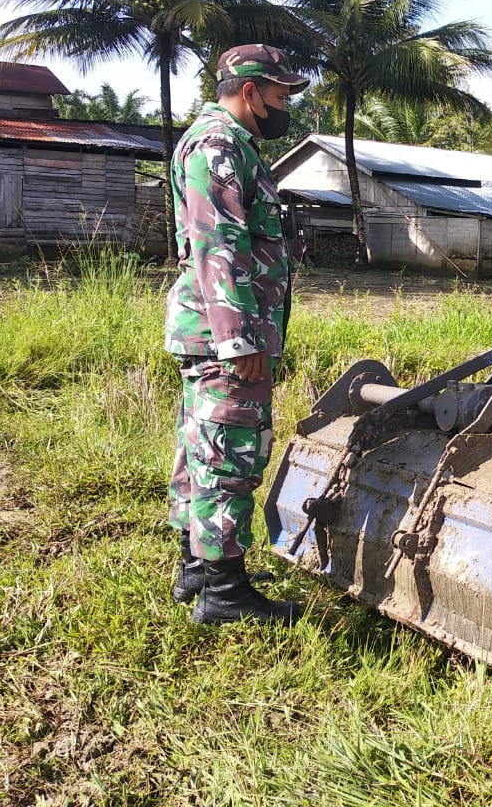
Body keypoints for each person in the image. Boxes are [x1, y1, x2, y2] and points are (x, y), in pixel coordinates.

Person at [164, 44, 308, 625]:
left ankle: (197, 566)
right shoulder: (219, 146)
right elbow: (216, 242)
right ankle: (224, 595)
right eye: (278, 96)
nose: (282, 107)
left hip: (211, 330)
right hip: (226, 334)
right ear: (250, 92)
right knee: (229, 454)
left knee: (202, 448)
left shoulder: (225, 143)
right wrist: (241, 339)